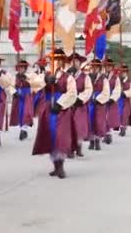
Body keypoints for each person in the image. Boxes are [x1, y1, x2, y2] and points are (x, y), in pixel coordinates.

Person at [32, 49, 77, 178]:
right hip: (48, 109)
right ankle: (55, 165)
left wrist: (60, 103)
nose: (56, 62)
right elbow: (34, 84)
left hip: (61, 109)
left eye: (59, 60)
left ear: (62, 62)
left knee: (61, 136)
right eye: (53, 60)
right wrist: (45, 80)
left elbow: (72, 93)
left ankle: (61, 165)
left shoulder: (68, 77)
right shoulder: (44, 75)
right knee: (49, 136)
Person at [9, 60, 45, 140]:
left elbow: (40, 83)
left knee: (27, 112)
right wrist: (14, 92)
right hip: (18, 96)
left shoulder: (31, 75)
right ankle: (23, 128)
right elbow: (10, 86)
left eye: (22, 67)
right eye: (19, 67)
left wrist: (28, 79)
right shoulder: (15, 77)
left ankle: (24, 130)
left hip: (28, 95)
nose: (21, 69)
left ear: (25, 68)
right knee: (20, 113)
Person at [67, 52, 91, 157]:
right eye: (72, 61)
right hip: (68, 105)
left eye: (76, 61)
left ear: (80, 63)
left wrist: (80, 99)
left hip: (79, 105)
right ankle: (69, 148)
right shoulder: (66, 75)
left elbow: (88, 89)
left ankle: (79, 146)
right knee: (68, 127)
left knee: (79, 126)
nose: (74, 64)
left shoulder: (85, 77)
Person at [88, 59, 111, 150]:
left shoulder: (103, 79)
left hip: (99, 102)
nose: (94, 69)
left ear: (99, 68)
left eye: (96, 67)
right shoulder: (88, 77)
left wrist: (98, 99)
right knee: (90, 120)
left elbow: (106, 91)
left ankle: (97, 141)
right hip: (90, 101)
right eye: (93, 67)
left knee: (99, 121)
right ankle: (91, 140)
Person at [104, 58, 122, 144]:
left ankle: (108, 133)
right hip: (102, 98)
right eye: (106, 66)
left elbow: (117, 89)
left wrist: (112, 98)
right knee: (102, 117)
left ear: (112, 67)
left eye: (109, 66)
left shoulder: (116, 78)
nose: (108, 67)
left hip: (111, 98)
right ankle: (103, 133)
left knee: (109, 117)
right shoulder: (101, 76)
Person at [118, 64, 131, 136]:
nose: (123, 73)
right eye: (122, 72)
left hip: (126, 100)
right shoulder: (118, 81)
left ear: (127, 72)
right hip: (119, 100)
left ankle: (123, 128)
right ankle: (119, 126)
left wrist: (125, 93)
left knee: (125, 114)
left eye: (125, 72)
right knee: (119, 113)